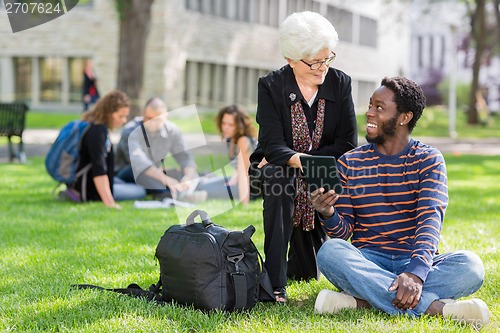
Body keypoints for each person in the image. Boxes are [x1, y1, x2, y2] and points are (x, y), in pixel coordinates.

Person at [311, 77, 489, 329]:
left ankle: (361, 301)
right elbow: (344, 231)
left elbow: (430, 220)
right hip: (369, 259)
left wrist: (415, 273)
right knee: (330, 252)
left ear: (404, 117)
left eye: (379, 108)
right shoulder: (349, 162)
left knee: (471, 266)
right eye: (370, 105)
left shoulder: (428, 160)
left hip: (414, 258)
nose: (369, 112)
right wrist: (327, 211)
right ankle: (436, 309)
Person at [249, 11, 358, 302]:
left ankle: (298, 264)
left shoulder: (340, 83)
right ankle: (273, 282)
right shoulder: (271, 85)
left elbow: (347, 145)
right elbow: (271, 145)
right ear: (291, 59)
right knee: (277, 175)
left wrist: (299, 159)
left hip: (322, 176)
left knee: (308, 272)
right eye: (314, 62)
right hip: (279, 173)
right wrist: (292, 160)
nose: (322, 67)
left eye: (327, 58)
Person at [71, 90, 146, 209]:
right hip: (90, 189)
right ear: (109, 113)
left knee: (130, 182)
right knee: (141, 190)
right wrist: (110, 203)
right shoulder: (97, 131)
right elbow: (99, 169)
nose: (124, 120)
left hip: (94, 182)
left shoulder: (95, 125)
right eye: (121, 116)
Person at [114, 97, 200, 199]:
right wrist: (166, 179)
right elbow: (139, 163)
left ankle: (186, 189)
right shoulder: (130, 130)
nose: (152, 123)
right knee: (140, 171)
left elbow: (186, 158)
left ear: (165, 117)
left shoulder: (171, 131)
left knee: (184, 173)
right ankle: (168, 193)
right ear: (143, 114)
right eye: (148, 118)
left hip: (155, 174)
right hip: (126, 174)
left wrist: (188, 178)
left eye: (156, 119)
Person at [197, 105, 257, 205]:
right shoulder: (230, 139)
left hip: (251, 187)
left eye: (231, 125)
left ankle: (198, 195)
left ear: (239, 126)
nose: (226, 127)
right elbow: (239, 167)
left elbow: (244, 174)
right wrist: (233, 179)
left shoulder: (243, 140)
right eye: (224, 123)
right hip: (238, 181)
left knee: (206, 190)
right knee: (202, 184)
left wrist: (244, 203)